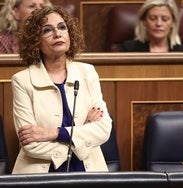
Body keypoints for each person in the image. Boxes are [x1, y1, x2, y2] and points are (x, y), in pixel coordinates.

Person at [11, 6, 112, 174]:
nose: (57, 34)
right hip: (41, 174)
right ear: (36, 40)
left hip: (88, 171)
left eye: (62, 27)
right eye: (47, 30)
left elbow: (103, 129)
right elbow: (30, 143)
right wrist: (83, 134)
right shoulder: (22, 81)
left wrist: (52, 133)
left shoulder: (87, 72)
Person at [119, 0, 183, 52]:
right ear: (144, 21)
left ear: (173, 22)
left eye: (164, 19)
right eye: (152, 18)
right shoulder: (128, 49)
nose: (158, 23)